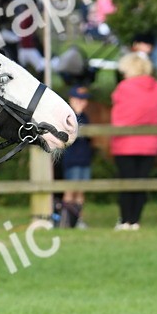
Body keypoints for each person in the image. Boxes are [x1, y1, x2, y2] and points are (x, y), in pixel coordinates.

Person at [110, 52, 157, 230]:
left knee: (126, 183)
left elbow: (118, 116)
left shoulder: (124, 87)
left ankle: (125, 220)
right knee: (141, 183)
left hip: (125, 143)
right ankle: (136, 220)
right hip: (150, 143)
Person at [60, 87, 94, 229]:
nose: (81, 103)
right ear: (71, 100)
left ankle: (78, 220)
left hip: (84, 159)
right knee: (70, 191)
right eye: (78, 100)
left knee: (80, 191)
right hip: (72, 160)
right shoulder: (68, 116)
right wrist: (77, 113)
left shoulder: (86, 117)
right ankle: (65, 220)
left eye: (83, 100)